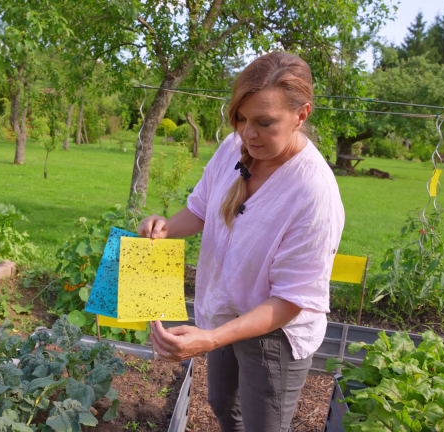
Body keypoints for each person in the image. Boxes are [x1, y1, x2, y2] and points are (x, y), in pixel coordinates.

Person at [140, 51, 345, 431]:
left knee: (263, 425)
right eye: (241, 118)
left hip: (274, 335)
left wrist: (209, 339)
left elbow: (290, 300)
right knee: (221, 403)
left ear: (301, 115)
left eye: (265, 122)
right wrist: (165, 226)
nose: (249, 134)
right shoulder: (233, 148)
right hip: (225, 310)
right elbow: (201, 210)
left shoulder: (313, 193)